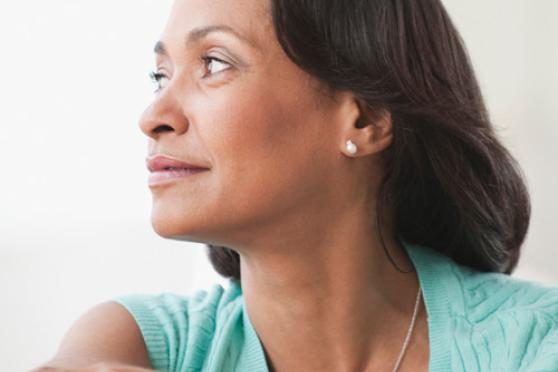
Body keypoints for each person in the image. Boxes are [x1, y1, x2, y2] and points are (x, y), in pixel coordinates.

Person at [33, 0, 558, 371]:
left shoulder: (537, 343)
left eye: (213, 63)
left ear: (364, 120)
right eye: (160, 75)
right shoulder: (140, 342)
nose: (154, 116)